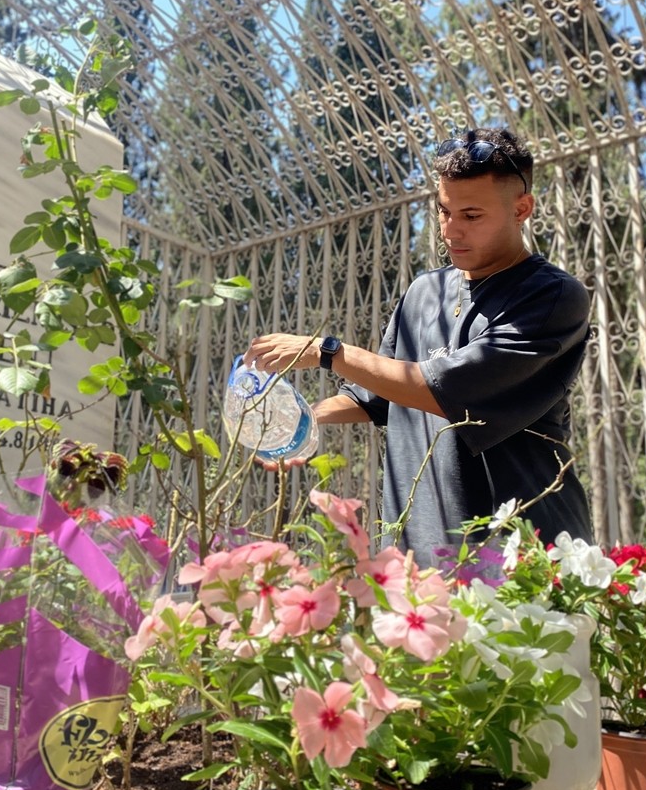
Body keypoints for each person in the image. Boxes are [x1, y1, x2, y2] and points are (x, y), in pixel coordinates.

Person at [243, 127, 592, 567]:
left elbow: (441, 390)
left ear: (521, 209)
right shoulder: (424, 292)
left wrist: (328, 351)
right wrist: (300, 427)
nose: (450, 231)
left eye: (471, 215)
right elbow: (377, 396)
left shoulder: (551, 297)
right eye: (443, 211)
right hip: (417, 559)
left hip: (523, 556)